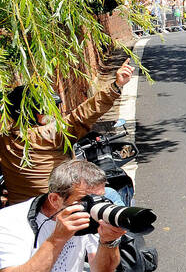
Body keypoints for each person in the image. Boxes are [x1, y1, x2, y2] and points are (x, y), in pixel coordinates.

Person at [0, 62, 135, 205]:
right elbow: (84, 114)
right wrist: (116, 86)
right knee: (112, 193)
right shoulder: (50, 134)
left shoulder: (5, 138)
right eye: (47, 110)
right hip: (57, 205)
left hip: (20, 207)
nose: (53, 113)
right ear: (32, 115)